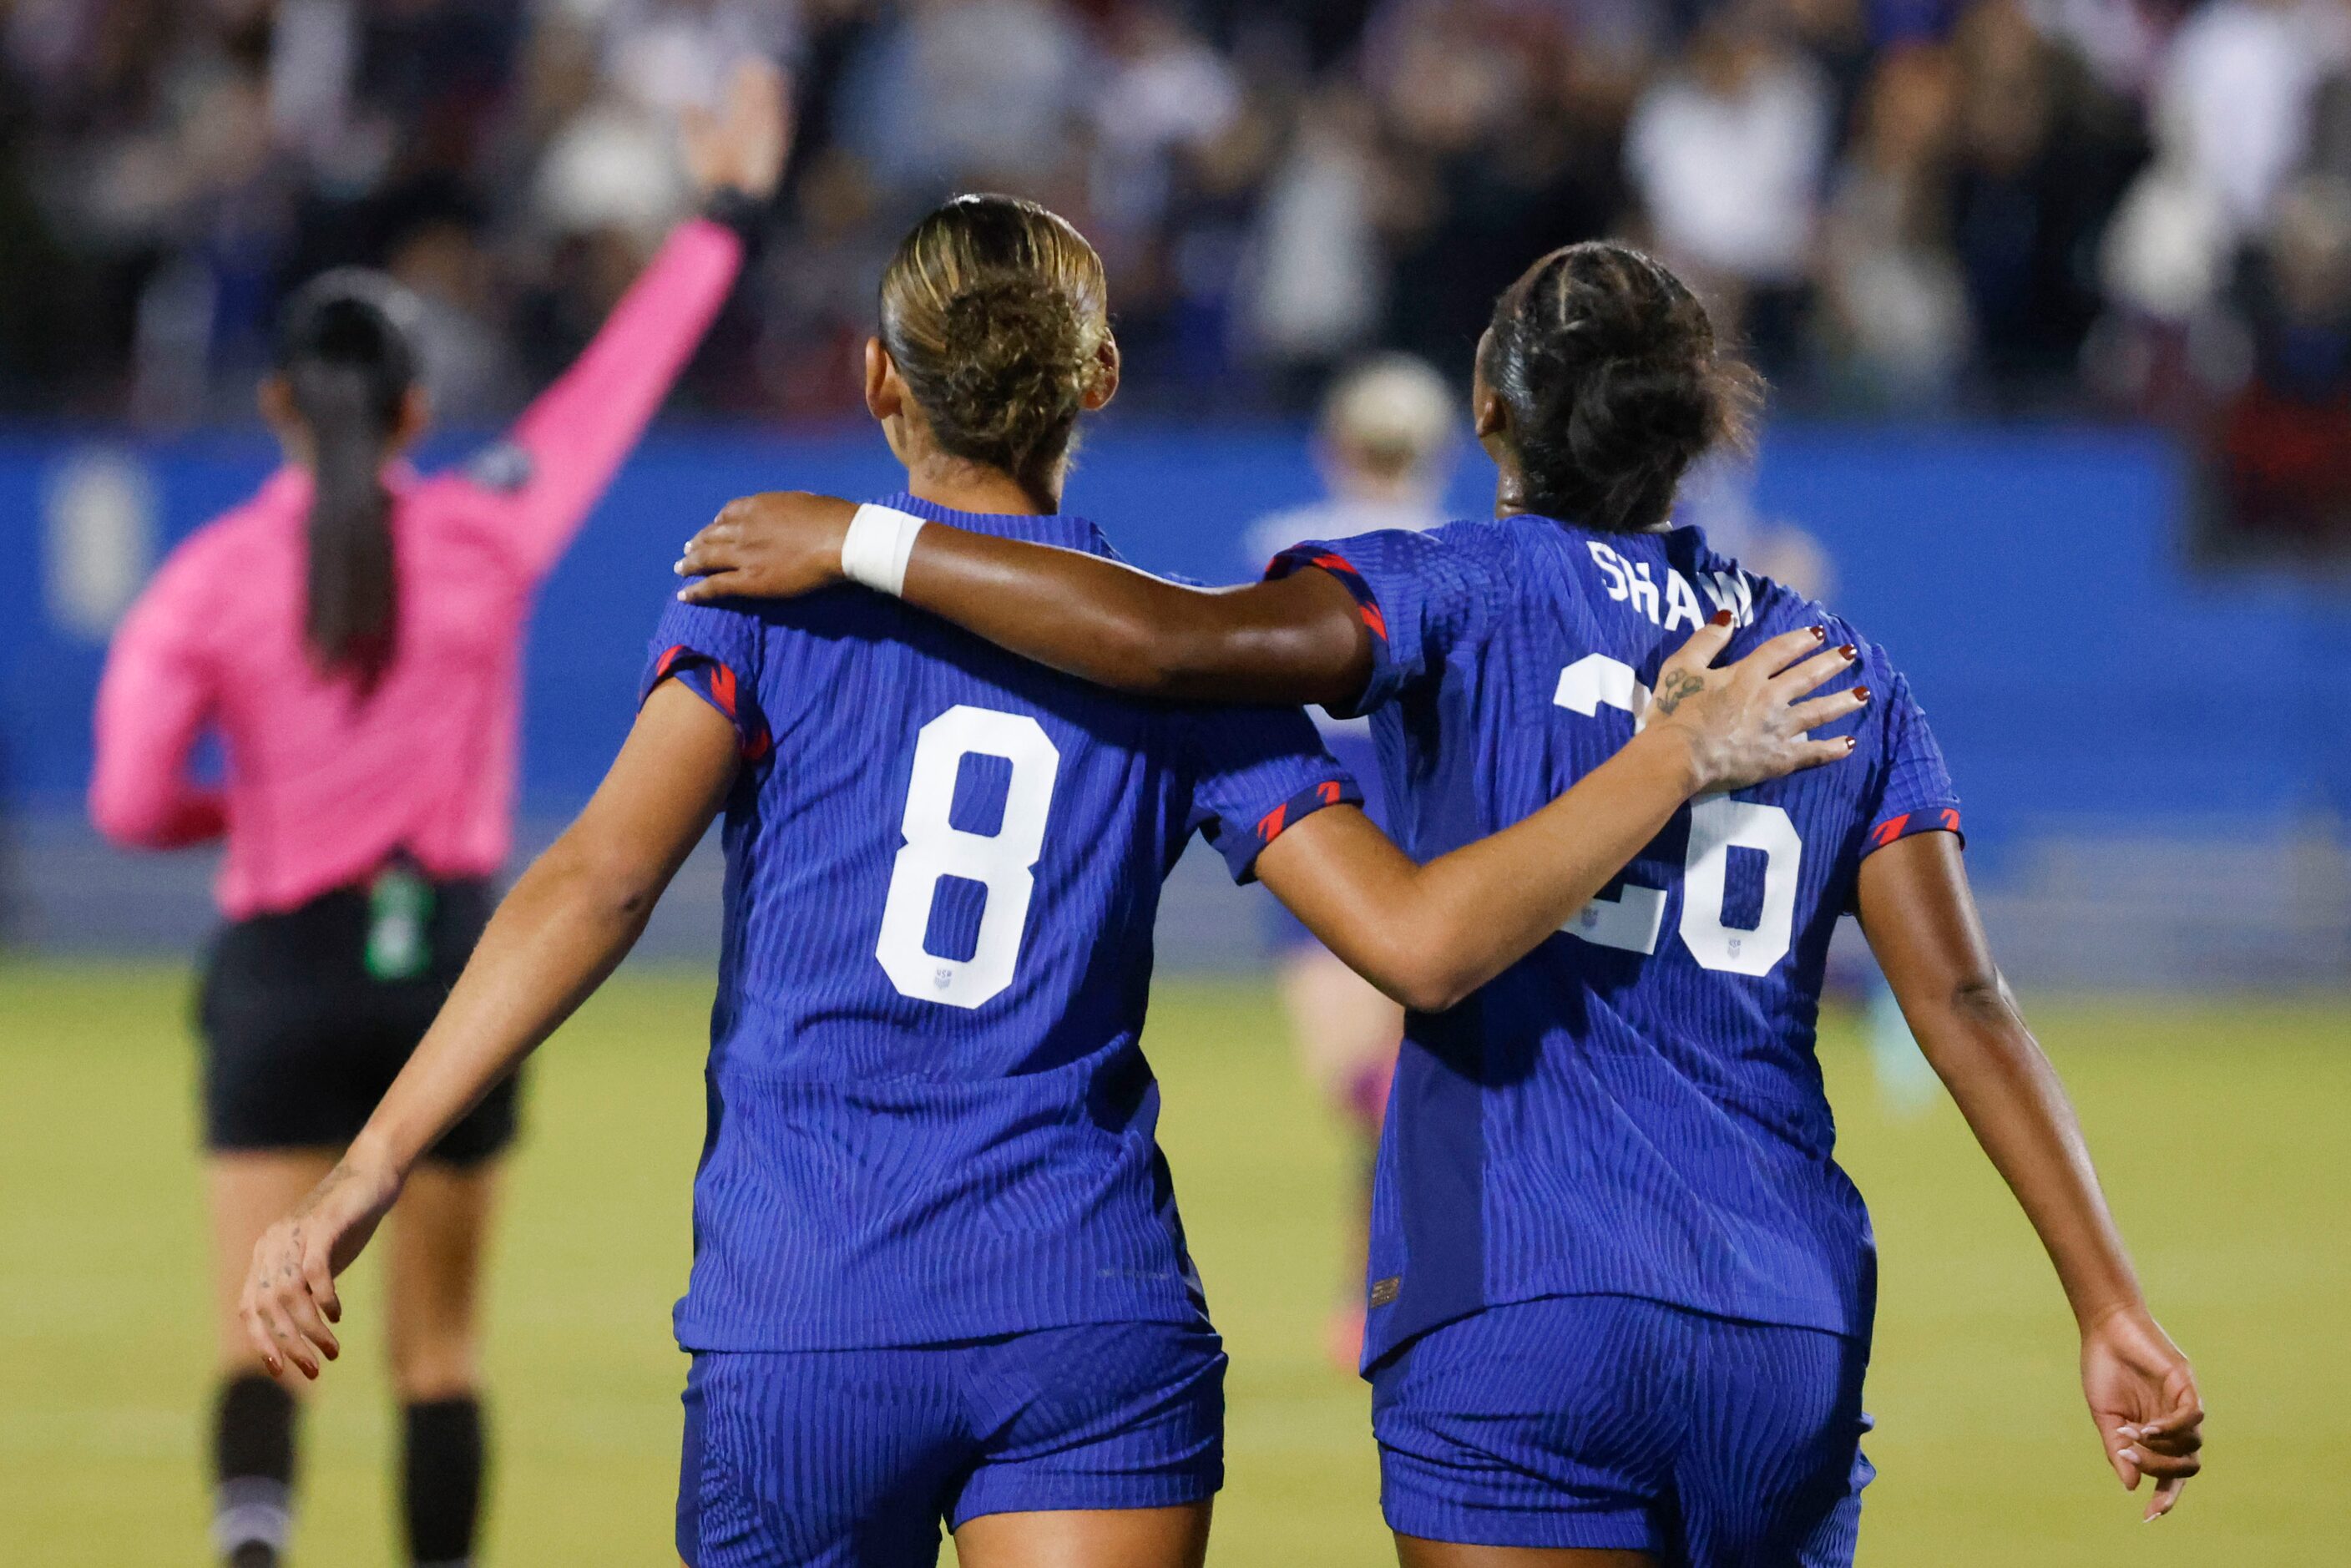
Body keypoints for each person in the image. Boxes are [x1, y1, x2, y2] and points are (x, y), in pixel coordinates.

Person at [237, 196, 1861, 1568]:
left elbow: (593, 887)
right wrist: (1663, 760)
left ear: (879, 379)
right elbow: (1417, 941)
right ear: (1100, 373)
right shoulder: (1177, 662)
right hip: (1093, 1326)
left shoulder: (768, 601)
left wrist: (367, 1165)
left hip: (809, 1312)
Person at [668, 238, 2207, 1564]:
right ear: (1701, 430)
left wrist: (864, 537)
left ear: (1487, 412)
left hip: (1514, 1297)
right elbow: (1963, 1003)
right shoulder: (1835, 666)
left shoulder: (1450, 587)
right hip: (1779, 1314)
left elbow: (1169, 646)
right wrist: (2109, 1301)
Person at [88, 61, 788, 1568]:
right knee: (439, 1349)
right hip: (454, 977)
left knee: (253, 1323)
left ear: (279, 403)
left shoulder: (206, 578)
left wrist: (246, 814)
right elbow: (616, 383)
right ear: (416, 407)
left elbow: (127, 795)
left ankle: (253, 1541)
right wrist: (724, 207)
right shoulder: (488, 528)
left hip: (279, 954)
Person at [1241, 352, 1459, 1367]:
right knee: (1365, 1078)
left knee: (1374, 1073)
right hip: (1359, 807)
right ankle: (1401, 1269)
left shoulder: (1286, 546)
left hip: (1339, 812)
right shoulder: (1459, 552)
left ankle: (1378, 1288)